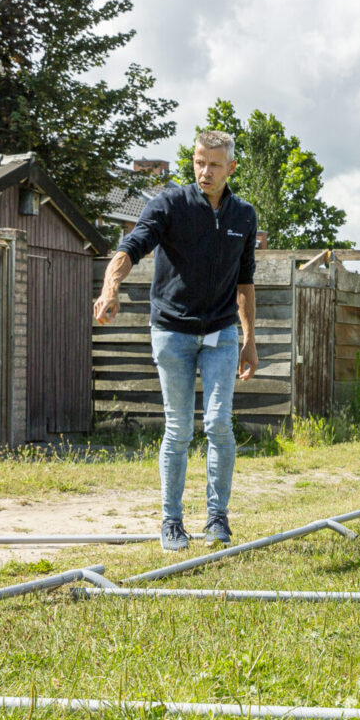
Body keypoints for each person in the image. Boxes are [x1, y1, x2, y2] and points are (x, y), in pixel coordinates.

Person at [93, 130, 259, 552]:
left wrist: (250, 338)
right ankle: (172, 521)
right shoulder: (168, 205)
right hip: (172, 332)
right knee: (179, 428)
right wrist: (110, 287)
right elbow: (130, 246)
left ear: (231, 168)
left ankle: (217, 518)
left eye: (215, 164)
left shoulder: (243, 215)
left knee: (220, 423)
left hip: (222, 332)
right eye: (199, 162)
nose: (205, 171)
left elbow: (245, 280)